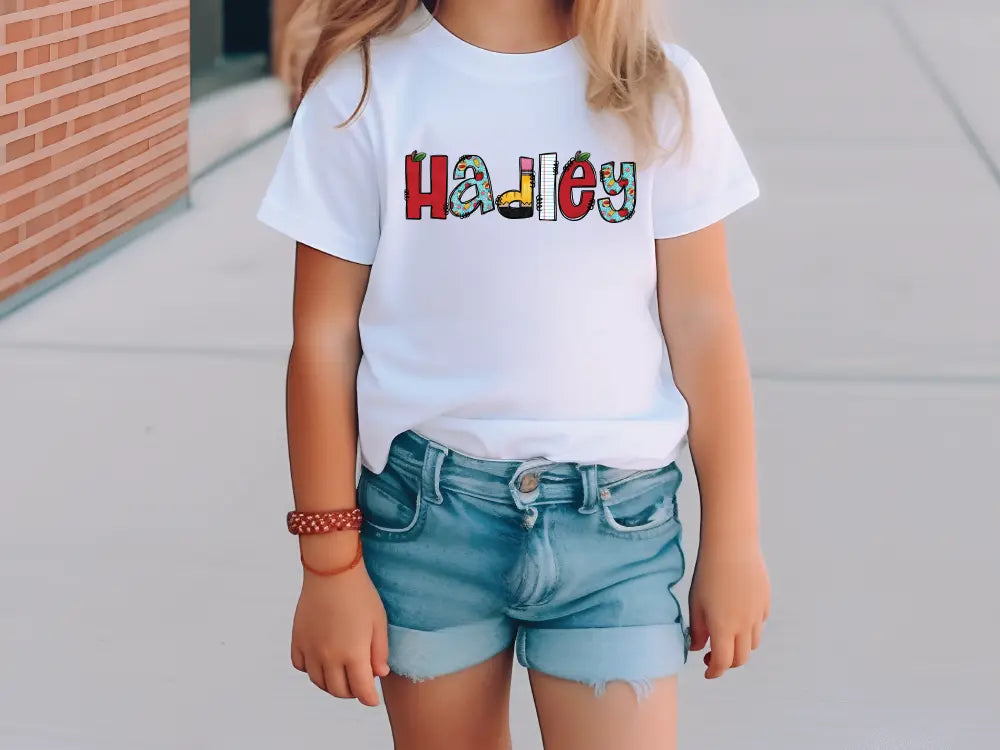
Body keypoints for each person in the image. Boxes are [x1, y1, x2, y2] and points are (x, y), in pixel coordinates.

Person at [258, 1, 770, 747]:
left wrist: (734, 540)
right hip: (427, 525)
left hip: (615, 531)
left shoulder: (658, 88)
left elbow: (704, 325)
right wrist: (329, 566)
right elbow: (324, 338)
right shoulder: (364, 86)